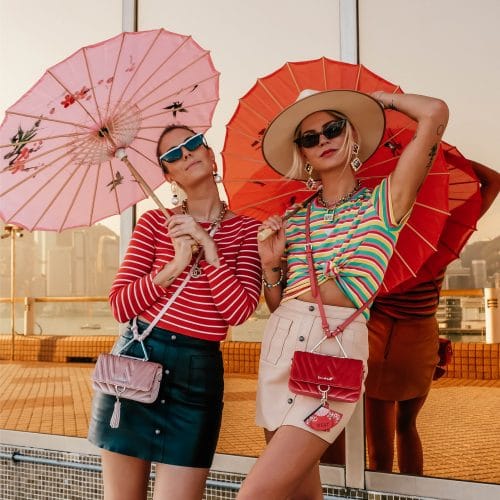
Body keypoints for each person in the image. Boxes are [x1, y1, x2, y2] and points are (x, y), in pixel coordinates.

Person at [236, 88, 449, 500]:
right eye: (310, 138)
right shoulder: (294, 219)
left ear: (351, 134)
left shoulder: (383, 203)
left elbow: (435, 113)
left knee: (255, 494)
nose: (323, 140)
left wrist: (379, 100)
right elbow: (280, 307)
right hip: (281, 345)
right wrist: (269, 267)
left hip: (336, 352)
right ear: (304, 154)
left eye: (333, 128)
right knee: (299, 493)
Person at [88, 124, 262, 500]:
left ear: (211, 154)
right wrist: (174, 264)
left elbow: (238, 312)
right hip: (137, 364)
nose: (186, 154)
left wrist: (209, 249)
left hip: (196, 374)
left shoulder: (248, 231)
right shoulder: (153, 223)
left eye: (193, 144)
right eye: (173, 155)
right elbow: (121, 304)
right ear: (168, 175)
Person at [365, 159, 500, 475]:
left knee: (378, 453)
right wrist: (442, 156)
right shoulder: (438, 235)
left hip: (381, 342)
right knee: (408, 426)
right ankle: (413, 495)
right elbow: (493, 182)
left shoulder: (379, 239)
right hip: (422, 339)